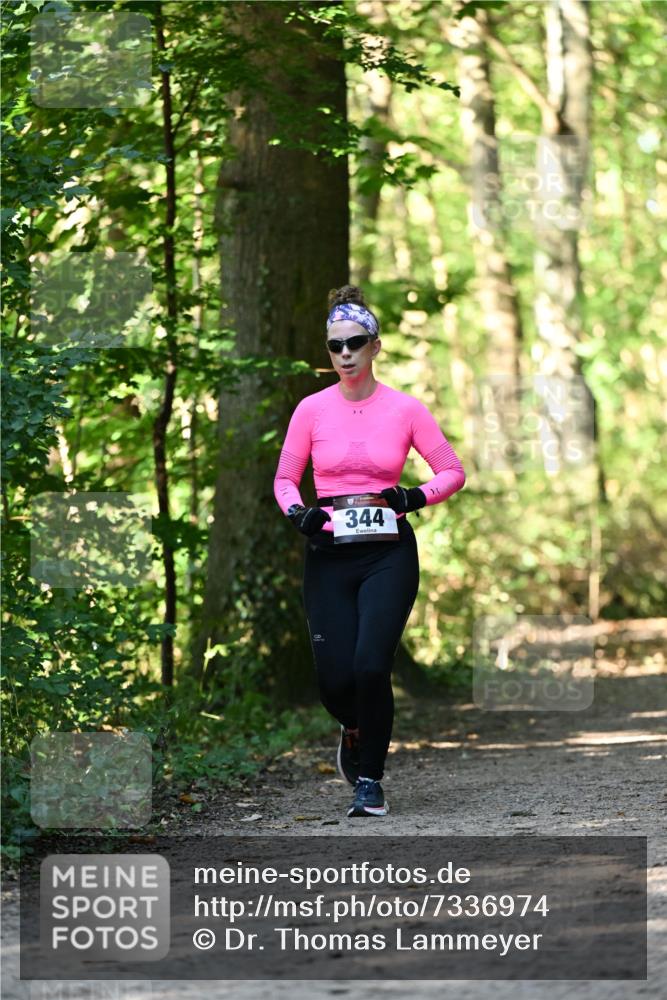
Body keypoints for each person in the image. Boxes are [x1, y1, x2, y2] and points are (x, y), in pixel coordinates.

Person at [273, 285, 466, 817]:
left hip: (388, 554)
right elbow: (285, 480)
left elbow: (452, 471)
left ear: (375, 346)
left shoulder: (405, 409)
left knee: (371, 666)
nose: (345, 354)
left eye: (355, 343)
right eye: (335, 346)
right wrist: (299, 514)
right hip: (328, 551)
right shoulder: (311, 410)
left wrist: (413, 497)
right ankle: (355, 727)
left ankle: (370, 782)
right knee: (335, 681)